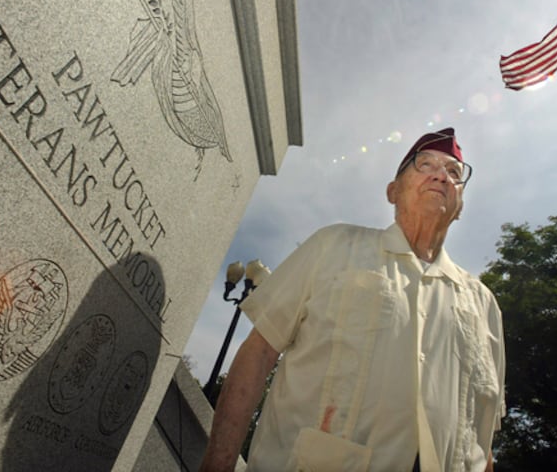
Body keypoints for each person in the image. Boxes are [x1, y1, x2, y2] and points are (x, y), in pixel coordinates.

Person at [200, 128, 505, 472]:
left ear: (460, 206)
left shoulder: (484, 305)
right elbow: (258, 354)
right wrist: (218, 465)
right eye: (425, 164)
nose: (441, 175)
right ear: (393, 191)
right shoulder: (335, 245)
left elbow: (483, 438)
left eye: (454, 172)